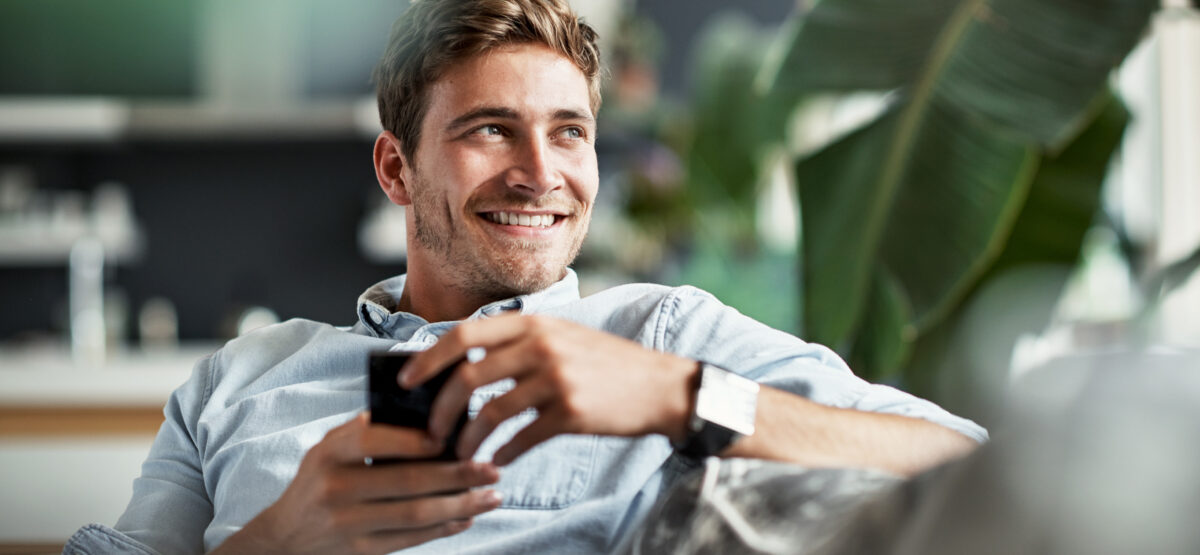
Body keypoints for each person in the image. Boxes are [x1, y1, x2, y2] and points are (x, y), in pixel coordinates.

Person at [65, 1, 984, 553]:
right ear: (395, 171)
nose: (543, 173)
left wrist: (684, 394)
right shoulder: (236, 382)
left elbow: (966, 460)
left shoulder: (663, 335)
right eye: (490, 128)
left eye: (570, 131)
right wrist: (279, 541)